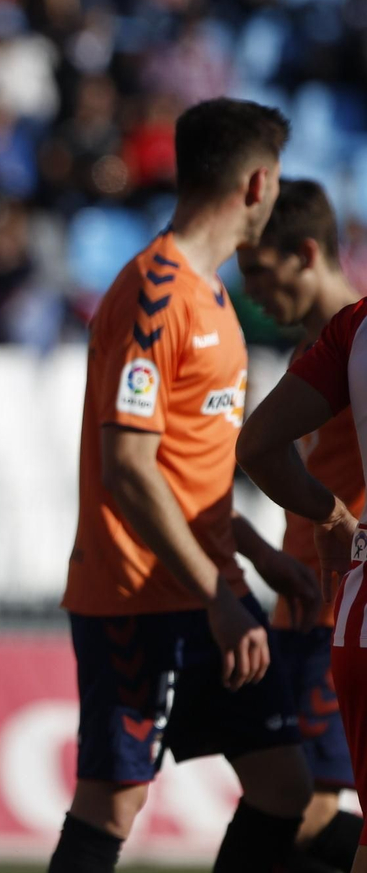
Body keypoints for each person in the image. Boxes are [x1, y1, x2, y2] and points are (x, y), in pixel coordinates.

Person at [51, 98, 323, 873]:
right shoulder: (155, 292)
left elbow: (186, 472)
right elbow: (130, 467)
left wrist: (260, 556)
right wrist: (217, 594)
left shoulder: (213, 297)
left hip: (211, 590)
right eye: (275, 180)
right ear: (257, 184)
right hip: (143, 598)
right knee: (112, 804)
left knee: (284, 785)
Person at [237, 180, 367, 871]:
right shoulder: (312, 357)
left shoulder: (355, 344)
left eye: (260, 271)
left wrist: (340, 521)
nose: (252, 292)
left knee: (305, 813)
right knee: (286, 805)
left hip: (335, 609)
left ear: (307, 254)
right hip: (298, 605)